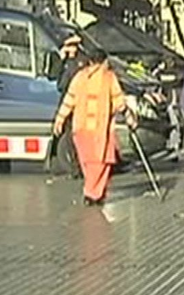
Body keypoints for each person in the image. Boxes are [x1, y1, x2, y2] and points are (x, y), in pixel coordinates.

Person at [52, 49, 134, 206]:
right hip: (100, 130)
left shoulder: (80, 77)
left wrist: (60, 120)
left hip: (80, 129)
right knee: (101, 163)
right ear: (104, 61)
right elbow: (119, 103)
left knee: (88, 163)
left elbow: (69, 100)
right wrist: (130, 117)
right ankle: (93, 194)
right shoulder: (109, 78)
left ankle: (93, 193)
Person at [49, 35, 84, 179]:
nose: (70, 49)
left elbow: (65, 84)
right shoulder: (66, 62)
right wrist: (61, 59)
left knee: (74, 138)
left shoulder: (79, 63)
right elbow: (53, 75)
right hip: (68, 101)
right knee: (70, 138)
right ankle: (77, 169)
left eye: (72, 46)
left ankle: (78, 169)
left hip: (76, 103)